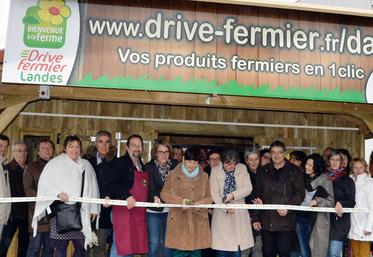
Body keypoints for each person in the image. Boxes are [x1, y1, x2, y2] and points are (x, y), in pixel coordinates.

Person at [32, 135, 100, 257]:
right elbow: (45, 184)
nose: (75, 150)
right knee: (60, 248)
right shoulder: (55, 163)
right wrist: (57, 193)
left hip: (81, 213)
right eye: (71, 146)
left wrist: (94, 208)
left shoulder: (86, 165)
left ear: (81, 149)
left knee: (81, 248)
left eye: (77, 147)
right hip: (61, 213)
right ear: (65, 148)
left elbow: (93, 187)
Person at [252, 140, 305, 257]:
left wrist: (288, 208)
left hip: (285, 222)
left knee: (284, 253)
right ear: (270, 154)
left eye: (279, 152)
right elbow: (257, 195)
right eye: (273, 152)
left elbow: (300, 194)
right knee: (267, 253)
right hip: (266, 221)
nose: (276, 155)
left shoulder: (295, 171)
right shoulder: (263, 170)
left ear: (284, 153)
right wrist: (255, 217)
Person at [161, 147, 212, 257]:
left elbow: (210, 197)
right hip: (179, 219)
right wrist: (180, 201)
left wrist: (202, 203)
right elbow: (164, 194)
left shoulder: (205, 176)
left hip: (197, 220)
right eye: (189, 161)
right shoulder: (173, 174)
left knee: (196, 253)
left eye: (194, 162)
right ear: (184, 159)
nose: (191, 165)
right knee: (177, 253)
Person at [108, 134, 148, 257]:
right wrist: (127, 196)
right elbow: (112, 184)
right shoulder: (120, 163)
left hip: (137, 212)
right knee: (120, 245)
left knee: (131, 246)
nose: (137, 148)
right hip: (122, 210)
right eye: (134, 145)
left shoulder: (142, 166)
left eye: (139, 145)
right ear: (127, 147)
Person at [210, 149, 254, 257]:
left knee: (236, 251)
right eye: (227, 163)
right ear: (222, 161)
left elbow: (248, 188)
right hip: (221, 213)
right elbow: (214, 194)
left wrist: (232, 195)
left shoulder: (242, 168)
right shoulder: (215, 171)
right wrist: (225, 208)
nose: (231, 166)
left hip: (238, 213)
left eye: (234, 164)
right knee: (221, 251)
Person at [84, 130, 117, 257]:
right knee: (87, 247)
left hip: (105, 211)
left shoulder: (115, 162)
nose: (104, 145)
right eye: (101, 142)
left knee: (100, 247)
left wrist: (110, 196)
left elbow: (117, 185)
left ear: (111, 144)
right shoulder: (86, 161)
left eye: (107, 142)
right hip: (87, 210)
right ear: (96, 143)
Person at [23, 138, 55, 257]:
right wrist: (45, 200)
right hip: (38, 214)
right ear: (38, 152)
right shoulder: (31, 167)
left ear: (53, 150)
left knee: (50, 249)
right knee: (34, 248)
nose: (47, 151)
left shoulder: (57, 166)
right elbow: (28, 188)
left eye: (49, 148)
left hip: (55, 216)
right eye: (43, 148)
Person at [145, 140, 177, 257]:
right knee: (154, 243)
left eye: (166, 152)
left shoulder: (175, 166)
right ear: (155, 153)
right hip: (153, 210)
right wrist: (155, 196)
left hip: (170, 210)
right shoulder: (148, 167)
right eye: (160, 152)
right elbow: (148, 187)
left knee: (168, 244)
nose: (164, 154)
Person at [298, 153, 334, 257]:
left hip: (317, 220)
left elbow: (331, 202)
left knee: (316, 251)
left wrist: (317, 201)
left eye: (310, 165)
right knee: (304, 252)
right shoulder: (301, 177)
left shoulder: (325, 181)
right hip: (300, 218)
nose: (306, 166)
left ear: (316, 166)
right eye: (306, 164)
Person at [0, 141, 30, 257]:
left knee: (24, 246)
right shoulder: (6, 169)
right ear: (13, 153)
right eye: (19, 151)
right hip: (10, 215)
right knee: (4, 245)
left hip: (26, 215)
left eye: (24, 151)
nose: (22, 154)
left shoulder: (30, 169)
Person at [325, 149, 355, 257]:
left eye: (337, 160)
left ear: (341, 162)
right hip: (324, 221)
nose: (335, 162)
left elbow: (352, 201)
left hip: (340, 222)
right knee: (325, 253)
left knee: (334, 253)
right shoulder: (323, 178)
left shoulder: (347, 180)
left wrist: (340, 203)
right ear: (328, 161)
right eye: (332, 159)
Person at [348, 158, 373, 257]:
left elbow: (372, 206)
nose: (358, 170)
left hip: (365, 222)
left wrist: (368, 226)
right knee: (355, 253)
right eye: (355, 167)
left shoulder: (370, 183)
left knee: (363, 254)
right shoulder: (349, 181)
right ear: (352, 168)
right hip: (353, 222)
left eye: (361, 167)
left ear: (365, 168)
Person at [244, 146, 263, 257]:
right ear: (246, 161)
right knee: (245, 250)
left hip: (261, 215)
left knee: (258, 247)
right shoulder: (242, 173)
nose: (254, 162)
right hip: (245, 215)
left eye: (256, 159)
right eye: (250, 159)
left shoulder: (264, 172)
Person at [0, 135, 11, 241]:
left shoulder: (4, 164)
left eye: (6, 146)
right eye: (0, 145)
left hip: (3, 216)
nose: (3, 149)